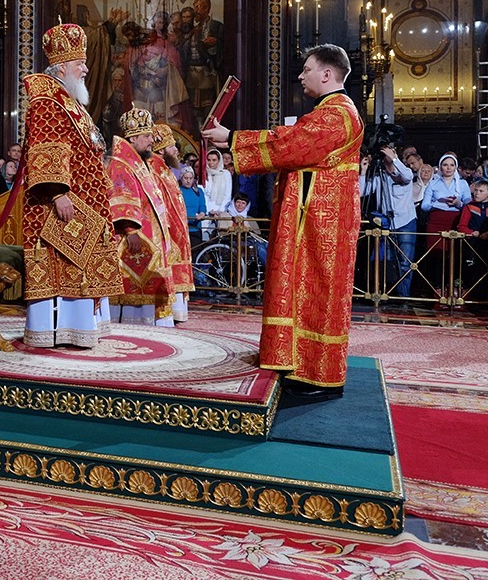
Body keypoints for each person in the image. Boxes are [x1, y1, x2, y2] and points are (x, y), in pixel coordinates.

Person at [202, 44, 364, 399]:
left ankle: (315, 374)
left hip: (321, 226)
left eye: (307, 70)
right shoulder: (327, 112)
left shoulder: (338, 114)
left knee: (314, 293)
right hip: (310, 222)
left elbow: (291, 143)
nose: (301, 76)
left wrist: (232, 139)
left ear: (327, 74)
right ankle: (291, 361)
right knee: (297, 289)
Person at [20, 22, 123, 347]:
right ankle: (55, 330)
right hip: (60, 204)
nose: (86, 69)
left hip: (85, 203)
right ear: (62, 66)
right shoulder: (47, 100)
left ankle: (81, 328)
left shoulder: (70, 101)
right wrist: (58, 193)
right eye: (80, 63)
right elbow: (46, 147)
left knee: (83, 264)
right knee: (63, 263)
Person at [110, 106, 175, 326]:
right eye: (147, 136)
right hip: (136, 237)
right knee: (136, 287)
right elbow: (121, 196)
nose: (151, 140)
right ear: (133, 137)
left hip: (151, 236)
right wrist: (131, 230)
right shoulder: (121, 163)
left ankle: (151, 324)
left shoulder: (140, 162)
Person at [359, 143, 417, 298]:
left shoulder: (404, 172)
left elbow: (407, 177)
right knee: (388, 261)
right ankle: (388, 293)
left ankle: (403, 296)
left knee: (405, 261)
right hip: (387, 224)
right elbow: (361, 191)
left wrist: (395, 159)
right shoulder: (380, 176)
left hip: (406, 221)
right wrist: (363, 171)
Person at [151, 123, 194, 322]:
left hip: (178, 232)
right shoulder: (154, 171)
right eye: (172, 146)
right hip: (167, 233)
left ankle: (178, 310)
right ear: (161, 150)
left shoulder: (165, 169)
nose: (176, 150)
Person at [421, 152, 471, 252]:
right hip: (436, 220)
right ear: (440, 167)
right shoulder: (433, 183)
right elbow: (424, 206)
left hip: (456, 220)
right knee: (436, 252)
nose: (448, 168)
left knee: (454, 252)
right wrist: (437, 204)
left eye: (452, 165)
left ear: (455, 167)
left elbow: (469, 204)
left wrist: (458, 203)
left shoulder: (462, 183)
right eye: (445, 165)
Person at [202, 147, 232, 238]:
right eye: (209, 160)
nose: (211, 163)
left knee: (219, 237)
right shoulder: (204, 174)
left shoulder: (226, 174)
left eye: (214, 160)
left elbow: (227, 194)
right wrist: (209, 210)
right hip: (207, 211)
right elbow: (203, 194)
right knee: (205, 236)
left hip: (221, 211)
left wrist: (220, 210)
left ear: (219, 161)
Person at [179, 167, 208, 246]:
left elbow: (202, 205)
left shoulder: (198, 191)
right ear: (181, 178)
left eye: (190, 178)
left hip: (195, 228)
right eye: (186, 178)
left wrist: (202, 213)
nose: (188, 181)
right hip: (182, 228)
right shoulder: (177, 191)